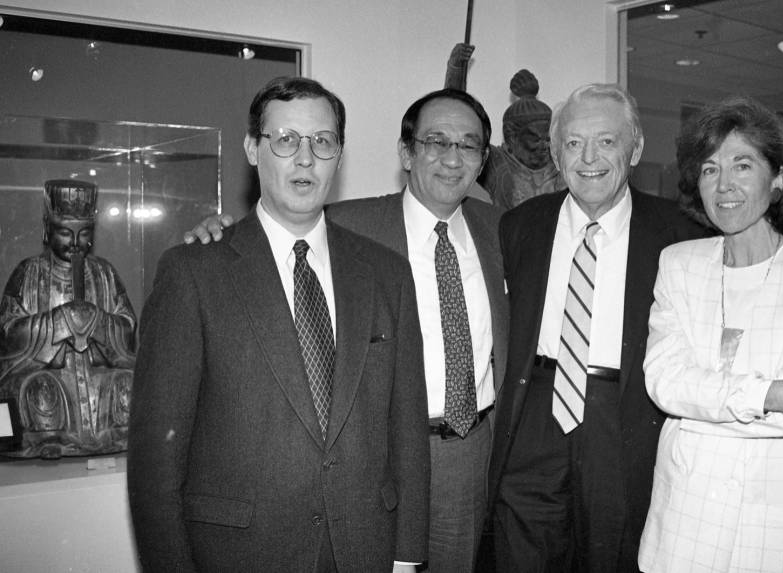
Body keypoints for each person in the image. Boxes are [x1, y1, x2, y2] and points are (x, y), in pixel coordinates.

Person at [183, 88, 506, 573]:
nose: (451, 158)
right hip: (373, 459)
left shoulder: (502, 230)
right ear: (406, 152)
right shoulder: (349, 226)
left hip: (470, 450)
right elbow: (272, 236)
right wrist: (215, 231)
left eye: (468, 145)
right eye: (436, 141)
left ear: (483, 160)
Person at [127, 76, 430, 572]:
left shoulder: (385, 273)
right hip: (241, 553)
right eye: (286, 139)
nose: (305, 158)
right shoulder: (194, 271)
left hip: (363, 549)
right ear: (252, 148)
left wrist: (408, 555)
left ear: (339, 153)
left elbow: (407, 427)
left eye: (322, 141)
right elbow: (154, 466)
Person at [486, 83, 704, 573]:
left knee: (613, 552)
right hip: (535, 410)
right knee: (521, 549)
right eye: (573, 143)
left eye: (606, 141)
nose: (589, 158)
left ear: (636, 148)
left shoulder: (679, 234)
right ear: (557, 155)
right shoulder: (520, 225)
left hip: (623, 414)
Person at [637, 96, 783, 573]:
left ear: (778, 177)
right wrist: (774, 393)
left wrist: (699, 405)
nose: (725, 185)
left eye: (743, 165)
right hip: (685, 515)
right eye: (710, 169)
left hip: (774, 515)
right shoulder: (679, 264)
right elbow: (663, 384)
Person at [0, 179, 136, 459]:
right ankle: (47, 439)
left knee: (127, 383)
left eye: (84, 233)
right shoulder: (29, 273)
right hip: (49, 372)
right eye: (65, 232)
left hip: (98, 375)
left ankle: (117, 435)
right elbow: (8, 330)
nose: (75, 242)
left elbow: (129, 326)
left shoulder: (104, 273)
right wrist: (58, 322)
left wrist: (98, 321)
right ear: (46, 230)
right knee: (37, 389)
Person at [445, 43, 565, 211]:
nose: (544, 146)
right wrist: (456, 70)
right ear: (511, 136)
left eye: (548, 139)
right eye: (535, 139)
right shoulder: (498, 164)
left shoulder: (560, 164)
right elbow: (456, 121)